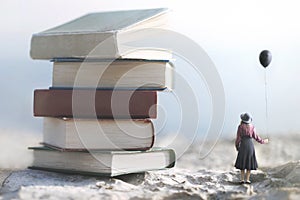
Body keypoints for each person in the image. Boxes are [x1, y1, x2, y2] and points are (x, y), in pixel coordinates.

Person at [234, 113, 269, 184]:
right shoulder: (252, 127)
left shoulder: (240, 127)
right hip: (250, 145)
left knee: (243, 163)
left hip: (243, 145)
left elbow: (238, 138)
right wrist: (263, 141)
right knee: (249, 162)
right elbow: (256, 137)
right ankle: (247, 179)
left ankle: (242, 180)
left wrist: (237, 147)